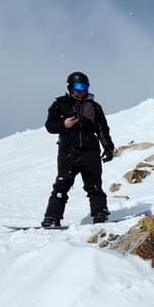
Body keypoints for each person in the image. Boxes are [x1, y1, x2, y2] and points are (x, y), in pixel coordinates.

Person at [41, 71, 115, 228]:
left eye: (85, 86)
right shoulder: (59, 104)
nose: (82, 90)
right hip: (68, 150)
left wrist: (108, 148)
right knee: (62, 184)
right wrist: (63, 125)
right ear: (70, 87)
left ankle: (100, 213)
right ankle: (52, 217)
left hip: (90, 150)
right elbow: (49, 126)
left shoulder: (94, 107)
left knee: (94, 185)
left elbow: (102, 129)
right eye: (78, 86)